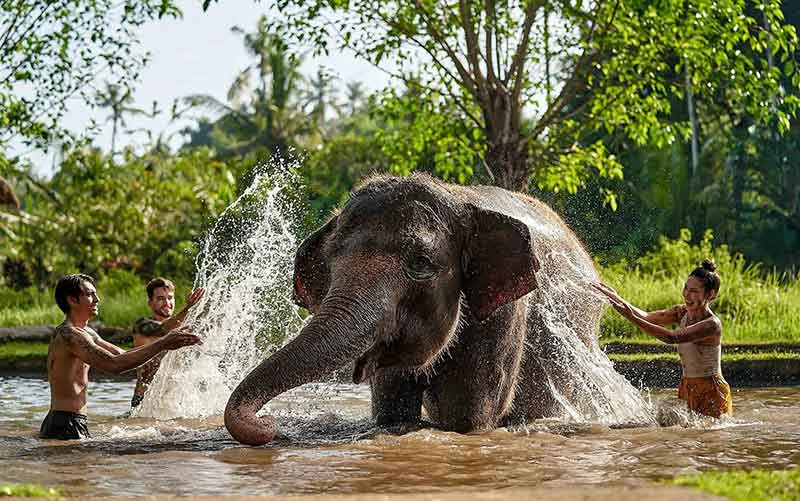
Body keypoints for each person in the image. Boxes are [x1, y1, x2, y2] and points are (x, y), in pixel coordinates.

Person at [41, 274, 202, 440]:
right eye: (90, 294)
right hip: (65, 422)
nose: (97, 299)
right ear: (72, 300)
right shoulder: (70, 335)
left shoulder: (87, 332)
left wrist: (165, 344)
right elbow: (114, 365)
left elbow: (122, 355)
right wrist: (163, 343)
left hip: (72, 420)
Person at [593, 260, 732, 418]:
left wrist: (630, 317)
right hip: (687, 386)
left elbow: (671, 337)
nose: (687, 294)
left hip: (711, 389)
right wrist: (617, 298)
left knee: (709, 437)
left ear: (711, 294)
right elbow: (647, 317)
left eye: (694, 291)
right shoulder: (681, 313)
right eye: (686, 288)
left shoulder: (712, 325)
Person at [130, 278, 204, 408]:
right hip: (144, 399)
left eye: (170, 298)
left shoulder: (183, 328)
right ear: (150, 303)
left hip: (172, 400)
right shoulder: (142, 325)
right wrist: (189, 307)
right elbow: (163, 329)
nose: (167, 303)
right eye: (160, 299)